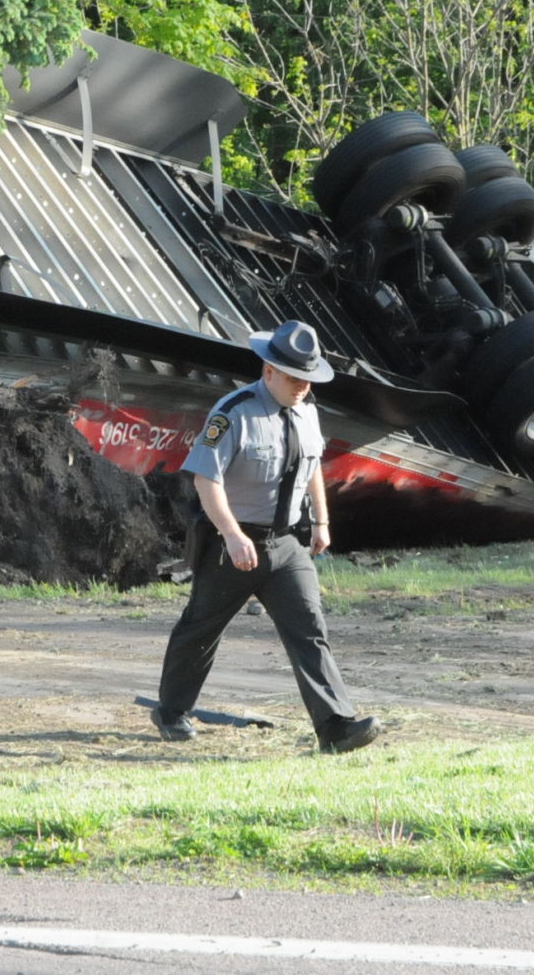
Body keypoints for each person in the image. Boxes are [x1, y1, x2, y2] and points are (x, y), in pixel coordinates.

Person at [151, 320, 382, 755]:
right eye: (295, 378)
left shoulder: (308, 410)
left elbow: (311, 467)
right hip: (232, 546)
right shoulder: (233, 412)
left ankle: (334, 727)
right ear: (269, 370)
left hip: (287, 546)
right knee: (200, 629)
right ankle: (170, 711)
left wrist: (321, 522)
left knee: (309, 628)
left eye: (309, 379)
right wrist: (234, 536)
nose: (302, 386)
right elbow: (206, 481)